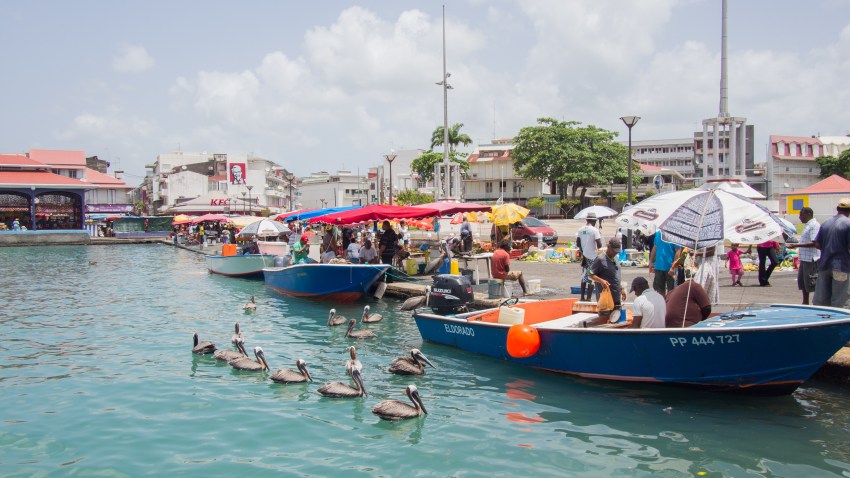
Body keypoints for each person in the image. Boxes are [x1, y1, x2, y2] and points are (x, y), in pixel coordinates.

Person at [813, 198, 850, 308]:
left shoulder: (826, 222)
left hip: (824, 265)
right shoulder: (848, 223)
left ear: (837, 209)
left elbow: (817, 245)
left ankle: (821, 321)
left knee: (822, 300)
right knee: (839, 300)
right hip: (841, 266)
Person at [787, 207, 820, 304]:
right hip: (804, 258)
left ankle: (816, 302)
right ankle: (805, 302)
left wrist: (797, 245)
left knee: (812, 281)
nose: (799, 217)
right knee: (803, 282)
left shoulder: (814, 225)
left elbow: (814, 243)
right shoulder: (807, 225)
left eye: (801, 215)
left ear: (808, 214)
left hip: (811, 258)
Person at [588, 238, 627, 315]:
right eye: (613, 251)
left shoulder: (616, 258)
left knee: (616, 320)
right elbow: (590, 274)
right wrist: (601, 281)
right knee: (604, 321)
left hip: (616, 298)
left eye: (617, 252)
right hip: (605, 299)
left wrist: (621, 289)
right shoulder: (600, 259)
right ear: (608, 247)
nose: (615, 254)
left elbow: (615, 276)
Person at [576, 213, 603, 301]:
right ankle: (588, 298)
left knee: (584, 276)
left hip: (585, 257)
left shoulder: (580, 230)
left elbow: (578, 243)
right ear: (594, 221)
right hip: (593, 257)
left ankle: (582, 297)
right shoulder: (594, 230)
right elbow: (599, 245)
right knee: (592, 277)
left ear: (587, 220)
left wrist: (583, 251)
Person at [649, 230, 682, 297]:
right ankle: (662, 306)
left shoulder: (674, 234)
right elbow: (655, 247)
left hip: (670, 268)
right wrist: (651, 261)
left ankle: (669, 306)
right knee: (659, 291)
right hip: (658, 267)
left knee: (671, 291)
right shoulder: (658, 233)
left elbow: (678, 251)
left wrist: (673, 267)